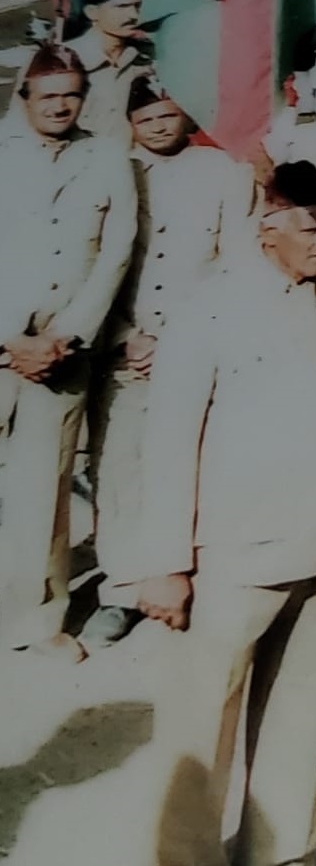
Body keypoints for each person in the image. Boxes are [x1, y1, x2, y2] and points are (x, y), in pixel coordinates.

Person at [113, 161, 316, 866]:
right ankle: (186, 856)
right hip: (236, 549)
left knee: (300, 714)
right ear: (267, 228)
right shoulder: (213, 304)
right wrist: (166, 564)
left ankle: (283, 850)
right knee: (201, 726)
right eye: (311, 228)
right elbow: (169, 438)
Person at [80, 78, 254, 654]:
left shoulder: (222, 173)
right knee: (120, 469)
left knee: (192, 466)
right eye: (147, 117)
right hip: (122, 346)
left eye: (170, 114)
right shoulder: (110, 172)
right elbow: (96, 260)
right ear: (130, 121)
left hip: (194, 345)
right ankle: (121, 589)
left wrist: (179, 339)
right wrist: (128, 337)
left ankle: (188, 577)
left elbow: (233, 265)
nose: (159, 126)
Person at [0, 45, 136, 661]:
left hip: (62, 353)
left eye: (71, 95)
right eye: (47, 95)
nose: (59, 106)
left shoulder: (107, 158)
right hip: (4, 342)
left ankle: (36, 618)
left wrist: (65, 338)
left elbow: (115, 251)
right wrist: (10, 339)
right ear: (22, 97)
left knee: (42, 492)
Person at [63, 0, 153, 146]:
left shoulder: (146, 60)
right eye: (121, 7)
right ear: (92, 12)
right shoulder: (64, 60)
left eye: (138, 6)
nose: (134, 16)